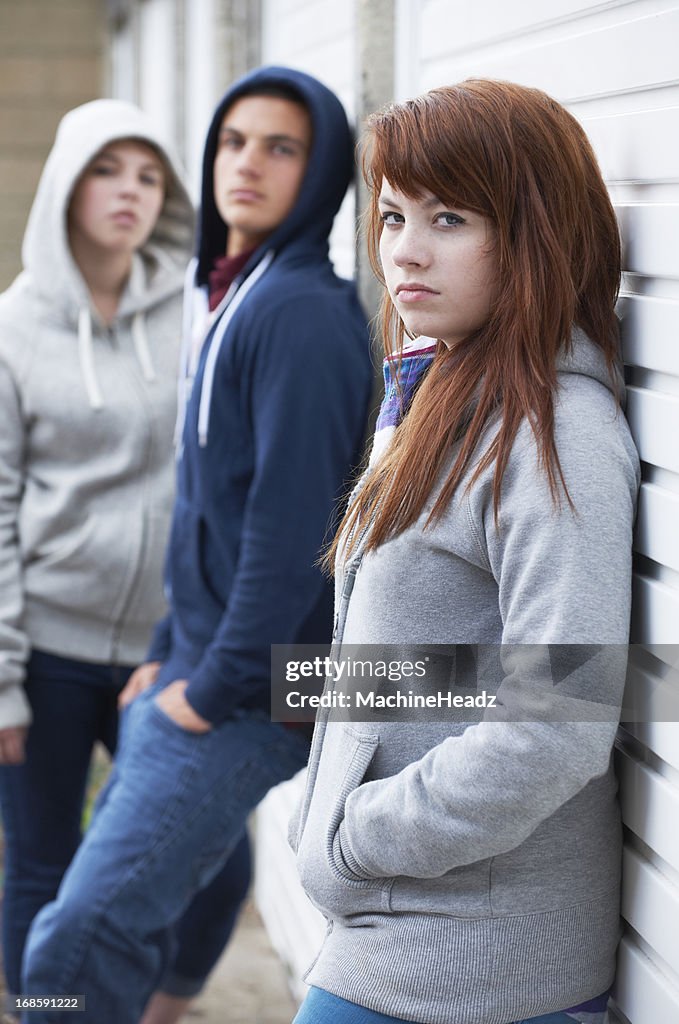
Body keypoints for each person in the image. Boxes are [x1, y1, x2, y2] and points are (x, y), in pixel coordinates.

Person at [21, 66, 372, 1023]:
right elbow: (205, 515)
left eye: (280, 146)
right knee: (132, 901)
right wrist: (167, 651)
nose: (246, 163)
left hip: (252, 688)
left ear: (323, 170)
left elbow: (289, 534)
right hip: (193, 664)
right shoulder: (234, 293)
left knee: (70, 946)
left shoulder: (299, 314)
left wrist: (206, 687)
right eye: (232, 141)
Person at [289, 80, 639, 1024]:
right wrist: (323, 807)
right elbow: (430, 664)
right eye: (394, 213)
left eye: (448, 217)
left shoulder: (554, 434)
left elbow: (557, 716)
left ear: (531, 232)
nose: (403, 248)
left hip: (468, 968)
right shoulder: (439, 390)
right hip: (396, 932)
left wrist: (359, 835)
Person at [0, 99, 195, 1003]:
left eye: (148, 175)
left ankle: (155, 1011)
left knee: (188, 861)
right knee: (42, 865)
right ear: (67, 187)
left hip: (161, 655)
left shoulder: (194, 313)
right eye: (109, 171)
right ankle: (45, 1016)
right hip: (46, 651)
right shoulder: (13, 328)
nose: (130, 193)